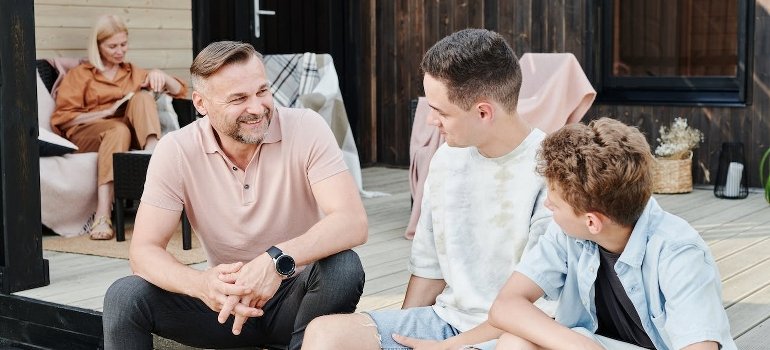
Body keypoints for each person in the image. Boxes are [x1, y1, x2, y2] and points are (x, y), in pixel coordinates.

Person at [101, 41, 368, 350]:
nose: (257, 108)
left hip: (296, 302)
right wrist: (200, 285)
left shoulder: (307, 127)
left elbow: (352, 221)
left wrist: (275, 261)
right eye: (239, 98)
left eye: (262, 91)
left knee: (343, 267)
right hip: (223, 308)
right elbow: (143, 251)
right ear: (201, 103)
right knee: (125, 295)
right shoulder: (176, 150)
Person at [302, 28, 552, 350]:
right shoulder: (447, 158)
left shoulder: (550, 171)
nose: (431, 120)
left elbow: (542, 306)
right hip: (446, 322)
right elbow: (428, 269)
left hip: (514, 336)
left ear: (483, 112)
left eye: (440, 111)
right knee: (326, 335)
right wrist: (401, 343)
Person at [488, 118, 736, 350]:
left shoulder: (679, 253)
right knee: (514, 342)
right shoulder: (569, 233)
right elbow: (506, 305)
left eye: (556, 203)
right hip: (596, 344)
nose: (548, 206)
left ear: (592, 222)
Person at [50, 14, 187, 240]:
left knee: (143, 97)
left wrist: (160, 75)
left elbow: (180, 90)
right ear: (98, 46)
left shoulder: (131, 72)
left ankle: (151, 152)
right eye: (112, 46)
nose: (119, 51)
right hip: (88, 133)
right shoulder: (80, 75)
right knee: (117, 129)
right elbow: (62, 118)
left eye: (123, 45)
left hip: (127, 133)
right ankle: (103, 214)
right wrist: (103, 112)